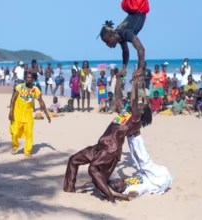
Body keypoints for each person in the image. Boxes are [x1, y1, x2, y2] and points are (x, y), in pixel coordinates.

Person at [63, 72, 152, 202]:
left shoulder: (135, 120)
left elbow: (134, 99)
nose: (139, 104)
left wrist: (135, 83)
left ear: (141, 113)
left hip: (111, 150)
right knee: (73, 160)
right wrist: (117, 79)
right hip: (100, 146)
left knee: (93, 169)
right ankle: (69, 189)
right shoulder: (125, 113)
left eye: (141, 106)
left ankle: (110, 197)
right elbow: (117, 98)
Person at [9, 72, 51, 157]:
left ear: (33, 80)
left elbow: (41, 102)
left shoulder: (36, 90)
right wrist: (11, 112)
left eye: (29, 78)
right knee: (15, 133)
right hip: (17, 114)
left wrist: (47, 114)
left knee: (29, 134)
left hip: (28, 116)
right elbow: (13, 99)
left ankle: (27, 152)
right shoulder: (19, 87)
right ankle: (15, 146)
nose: (27, 79)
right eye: (26, 77)